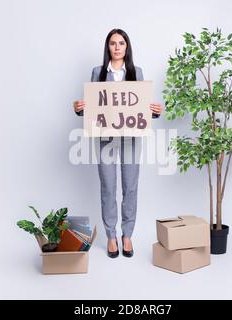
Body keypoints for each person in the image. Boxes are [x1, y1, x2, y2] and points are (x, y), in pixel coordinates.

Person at [73, 28, 163, 258]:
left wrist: (154, 112)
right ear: (108, 47)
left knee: (130, 187)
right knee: (108, 188)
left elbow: (141, 107)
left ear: (126, 47)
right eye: (113, 43)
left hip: (131, 139)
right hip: (106, 139)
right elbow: (93, 109)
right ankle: (111, 236)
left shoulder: (136, 72)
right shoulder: (98, 72)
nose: (117, 47)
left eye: (121, 43)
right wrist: (79, 109)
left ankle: (127, 235)